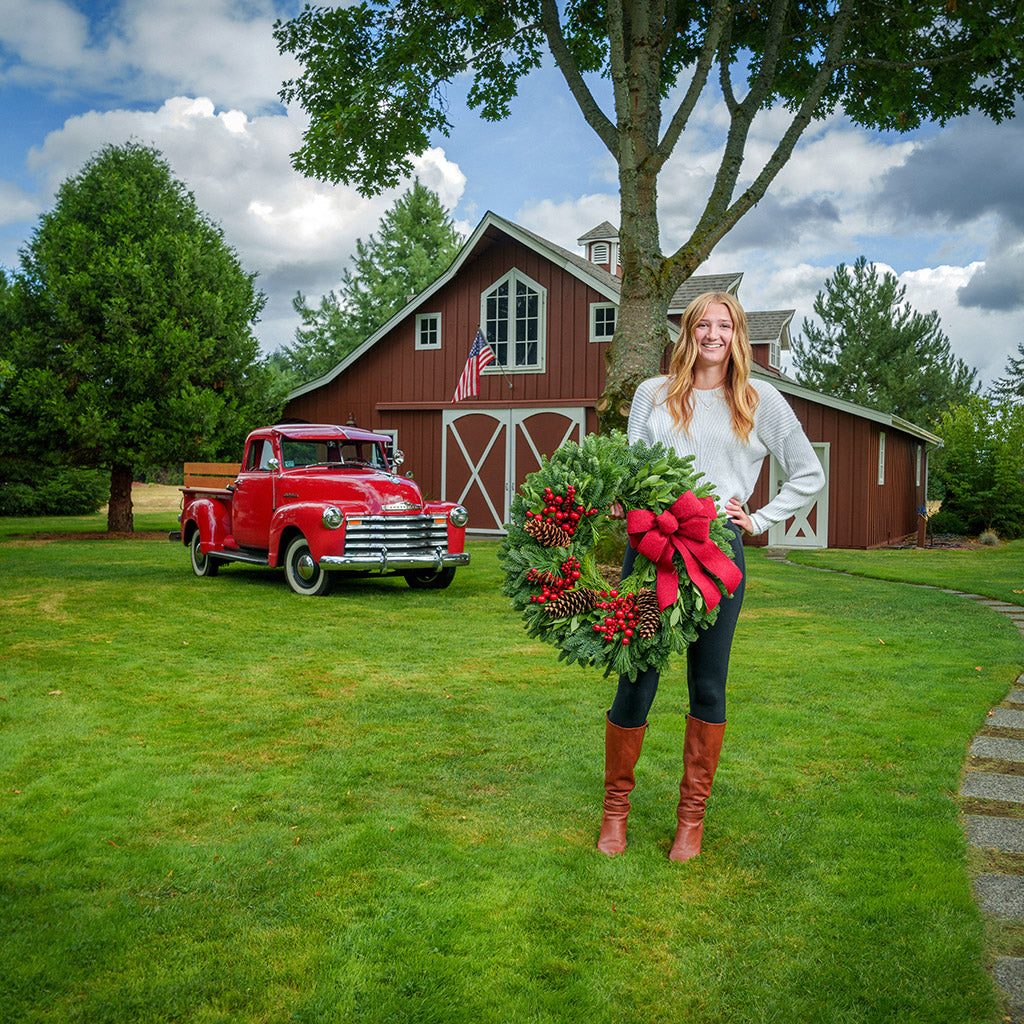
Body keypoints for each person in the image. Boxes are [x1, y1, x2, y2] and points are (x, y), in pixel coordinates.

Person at [597, 291, 825, 862]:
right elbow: (633, 469)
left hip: (718, 552)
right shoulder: (653, 394)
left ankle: (690, 822)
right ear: (688, 332)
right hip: (654, 547)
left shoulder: (758, 398)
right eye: (704, 324)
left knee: (708, 681)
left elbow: (808, 472)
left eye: (725, 325)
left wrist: (758, 518)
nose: (714, 335)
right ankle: (615, 814)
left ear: (739, 334)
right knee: (637, 675)